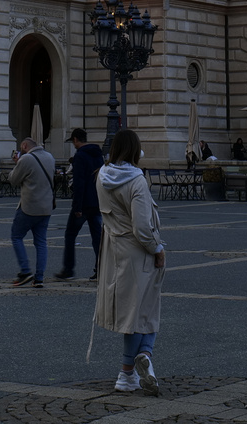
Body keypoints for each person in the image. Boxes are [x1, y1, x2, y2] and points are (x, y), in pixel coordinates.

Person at [94, 128, 166, 396]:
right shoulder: (137, 181)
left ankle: (139, 362)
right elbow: (143, 228)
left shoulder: (101, 176)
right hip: (137, 252)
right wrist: (156, 248)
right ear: (135, 150)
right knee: (141, 311)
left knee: (131, 311)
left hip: (113, 250)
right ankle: (128, 372)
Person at [55, 128, 104, 282]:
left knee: (70, 235)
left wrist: (77, 207)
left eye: (73, 141)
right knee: (97, 238)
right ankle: (101, 268)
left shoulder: (80, 156)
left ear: (76, 139)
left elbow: (79, 182)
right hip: (96, 201)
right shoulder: (98, 155)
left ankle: (68, 269)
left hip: (83, 203)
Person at [7, 136, 57, 287]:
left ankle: (25, 271)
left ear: (24, 145)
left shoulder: (26, 159)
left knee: (16, 236)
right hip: (46, 207)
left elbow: (13, 180)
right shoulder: (50, 157)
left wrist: (17, 164)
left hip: (29, 207)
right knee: (41, 242)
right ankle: (39, 278)